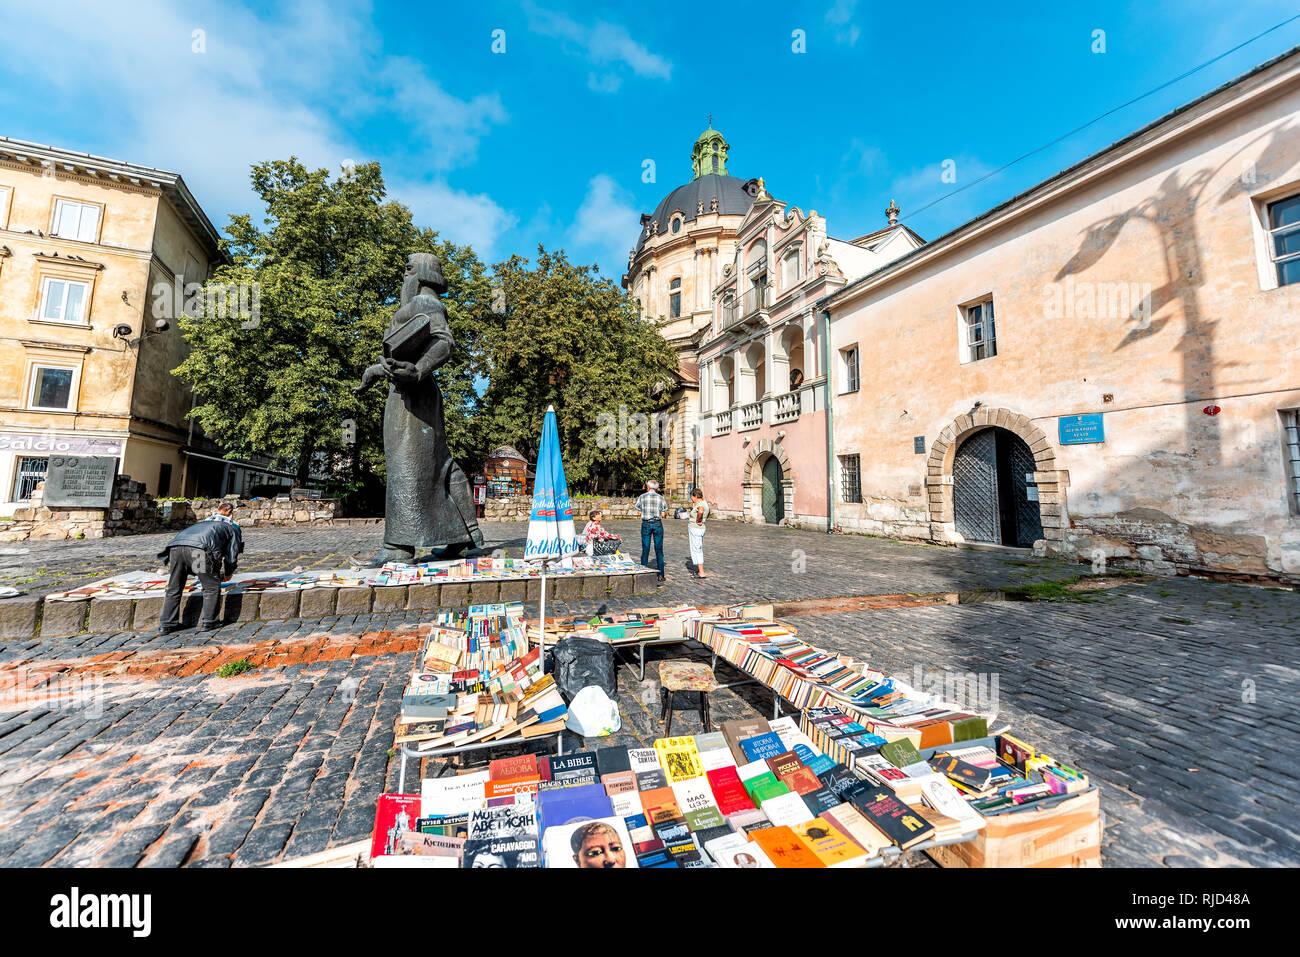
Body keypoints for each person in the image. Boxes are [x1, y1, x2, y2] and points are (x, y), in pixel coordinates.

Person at [156, 501, 244, 634]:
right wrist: (228, 572)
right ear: (231, 513)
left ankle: (167, 624)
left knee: (174, 587)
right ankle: (210, 622)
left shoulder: (202, 523)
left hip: (175, 547)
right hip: (198, 550)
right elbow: (232, 553)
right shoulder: (233, 527)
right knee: (211, 586)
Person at [634, 479, 668, 581]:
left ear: (648, 487)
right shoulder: (661, 498)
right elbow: (663, 514)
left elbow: (639, 512)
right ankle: (661, 574)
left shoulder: (642, 497)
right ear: (657, 488)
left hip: (646, 524)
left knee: (645, 548)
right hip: (657, 524)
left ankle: (643, 572)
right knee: (659, 549)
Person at [688, 487, 710, 579]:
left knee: (697, 549)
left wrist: (699, 519)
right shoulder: (705, 503)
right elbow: (708, 513)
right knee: (697, 548)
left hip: (696, 528)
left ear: (695, 496)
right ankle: (699, 569)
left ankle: (701, 572)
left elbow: (700, 511)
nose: (691, 499)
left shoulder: (700, 504)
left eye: (692, 497)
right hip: (699, 528)